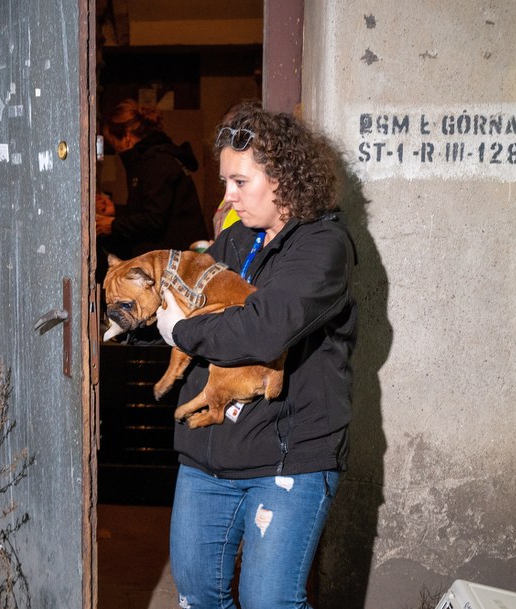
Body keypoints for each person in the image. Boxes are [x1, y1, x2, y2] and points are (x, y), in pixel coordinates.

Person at [155, 101, 357, 609]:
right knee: (198, 596)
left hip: (288, 455)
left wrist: (182, 330)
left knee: (271, 601)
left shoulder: (323, 246)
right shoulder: (234, 238)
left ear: (284, 179)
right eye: (226, 181)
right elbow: (192, 296)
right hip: (209, 457)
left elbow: (263, 329)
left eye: (240, 182)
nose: (228, 196)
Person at [96, 99, 208, 263]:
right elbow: (150, 208)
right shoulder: (150, 159)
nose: (117, 150)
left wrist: (113, 225)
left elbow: (154, 219)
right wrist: (116, 211)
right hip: (172, 256)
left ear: (126, 137)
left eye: (114, 143)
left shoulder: (156, 162)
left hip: (177, 261)